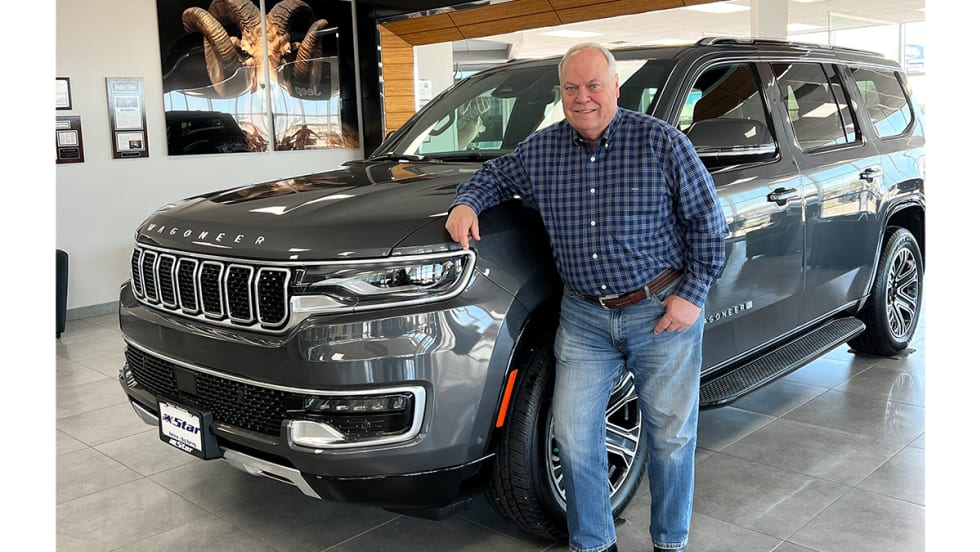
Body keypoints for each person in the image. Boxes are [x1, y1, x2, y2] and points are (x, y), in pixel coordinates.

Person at [445, 43, 728, 552]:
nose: (582, 97)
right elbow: (494, 175)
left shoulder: (661, 142)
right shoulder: (542, 150)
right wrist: (466, 203)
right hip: (583, 318)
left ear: (615, 87)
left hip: (659, 312)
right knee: (574, 437)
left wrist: (691, 294)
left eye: (594, 85)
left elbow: (708, 224)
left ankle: (670, 543)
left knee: (671, 438)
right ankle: (594, 544)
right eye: (571, 88)